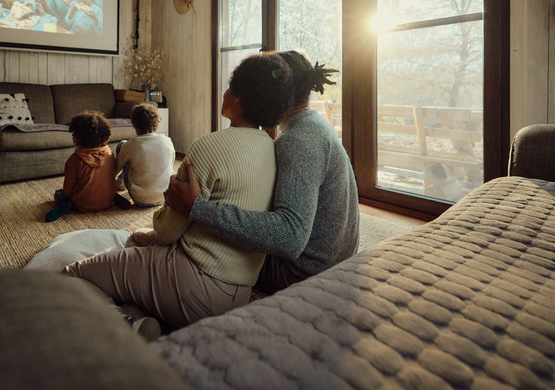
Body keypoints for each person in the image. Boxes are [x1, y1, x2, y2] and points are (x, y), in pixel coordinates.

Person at [62, 52, 294, 334]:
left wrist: (159, 221)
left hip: (193, 285)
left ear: (238, 97)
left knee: (72, 275)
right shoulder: (275, 149)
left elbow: (167, 232)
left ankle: (126, 326)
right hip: (241, 292)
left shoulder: (207, 147)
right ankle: (144, 319)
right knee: (135, 244)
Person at [165, 49, 360, 295]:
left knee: (197, 240)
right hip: (330, 263)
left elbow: (290, 237)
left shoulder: (297, 141)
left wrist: (198, 208)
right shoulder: (311, 125)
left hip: (303, 274)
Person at [45, 111, 118, 222]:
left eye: (75, 133)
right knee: (103, 186)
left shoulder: (75, 160)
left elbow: (68, 189)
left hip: (83, 205)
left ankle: (64, 206)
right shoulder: (108, 152)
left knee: (59, 194)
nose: (72, 135)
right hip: (107, 201)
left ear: (82, 138)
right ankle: (114, 197)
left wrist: (68, 195)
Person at [115, 103, 175, 208]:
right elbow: (171, 167)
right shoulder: (167, 141)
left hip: (140, 199)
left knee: (122, 145)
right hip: (164, 196)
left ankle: (120, 184)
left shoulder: (130, 145)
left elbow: (115, 170)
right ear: (156, 123)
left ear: (135, 125)